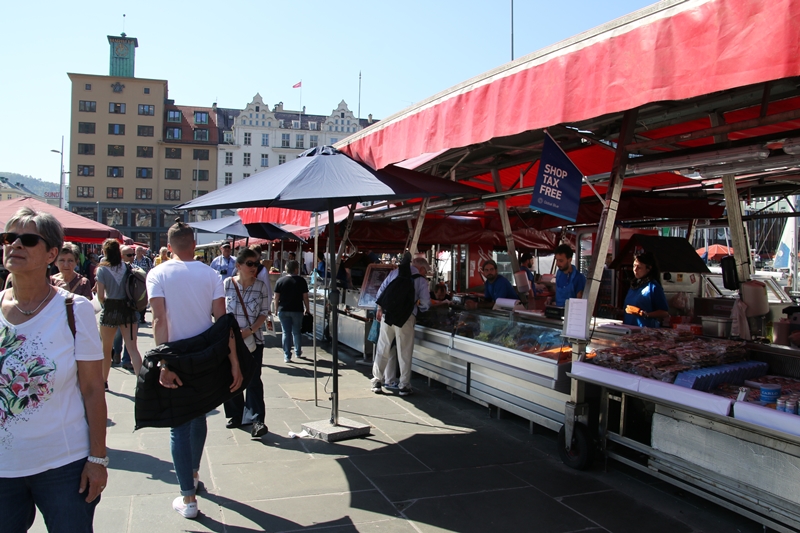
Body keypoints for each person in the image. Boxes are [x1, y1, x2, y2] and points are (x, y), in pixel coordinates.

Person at [0, 207, 107, 531]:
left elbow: (91, 388)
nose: (15, 245)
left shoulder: (73, 310)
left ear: (50, 254)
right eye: (9, 237)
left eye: (28, 239)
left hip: (63, 466)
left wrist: (97, 459)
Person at [146, 219, 242, 519]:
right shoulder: (211, 273)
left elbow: (159, 320)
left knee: (179, 426)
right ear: (193, 244)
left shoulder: (157, 273)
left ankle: (188, 497)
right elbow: (222, 321)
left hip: (175, 354)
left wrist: (161, 361)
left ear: (169, 244)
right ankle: (195, 473)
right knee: (199, 416)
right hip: (206, 355)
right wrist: (234, 361)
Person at [222, 248, 270, 438]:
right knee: (230, 377)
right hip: (230, 340)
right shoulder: (226, 284)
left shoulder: (261, 286)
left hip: (253, 340)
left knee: (253, 379)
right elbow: (218, 313)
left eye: (256, 264)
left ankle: (257, 420)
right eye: (250, 263)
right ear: (238, 265)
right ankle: (235, 415)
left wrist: (249, 331)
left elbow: (264, 313)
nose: (254, 267)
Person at [371, 255, 431, 396]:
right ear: (421, 268)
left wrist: (380, 309)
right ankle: (404, 385)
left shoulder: (394, 273)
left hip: (388, 315)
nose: (425, 274)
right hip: (406, 318)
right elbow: (426, 304)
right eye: (426, 271)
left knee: (383, 347)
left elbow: (381, 292)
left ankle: (377, 381)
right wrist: (417, 307)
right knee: (404, 351)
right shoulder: (421, 280)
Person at [96, 240, 143, 388]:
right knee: (133, 348)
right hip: (127, 308)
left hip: (110, 308)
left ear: (105, 252)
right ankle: (142, 383)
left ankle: (104, 381)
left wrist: (104, 304)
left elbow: (100, 295)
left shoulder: (102, 269)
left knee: (106, 349)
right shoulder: (127, 267)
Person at [274, 260, 310, 363]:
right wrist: (307, 309)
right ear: (296, 269)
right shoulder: (301, 281)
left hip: (283, 309)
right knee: (296, 332)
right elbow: (305, 297)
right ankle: (298, 352)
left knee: (286, 332)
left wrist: (276, 309)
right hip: (297, 309)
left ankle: (287, 355)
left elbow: (276, 297)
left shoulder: (280, 281)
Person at [623, 251, 670, 328]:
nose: (635, 269)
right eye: (634, 266)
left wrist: (645, 314)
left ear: (648, 268)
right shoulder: (634, 286)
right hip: (628, 329)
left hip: (646, 331)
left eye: (639, 267)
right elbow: (630, 310)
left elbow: (664, 312)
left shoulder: (653, 287)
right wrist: (618, 311)